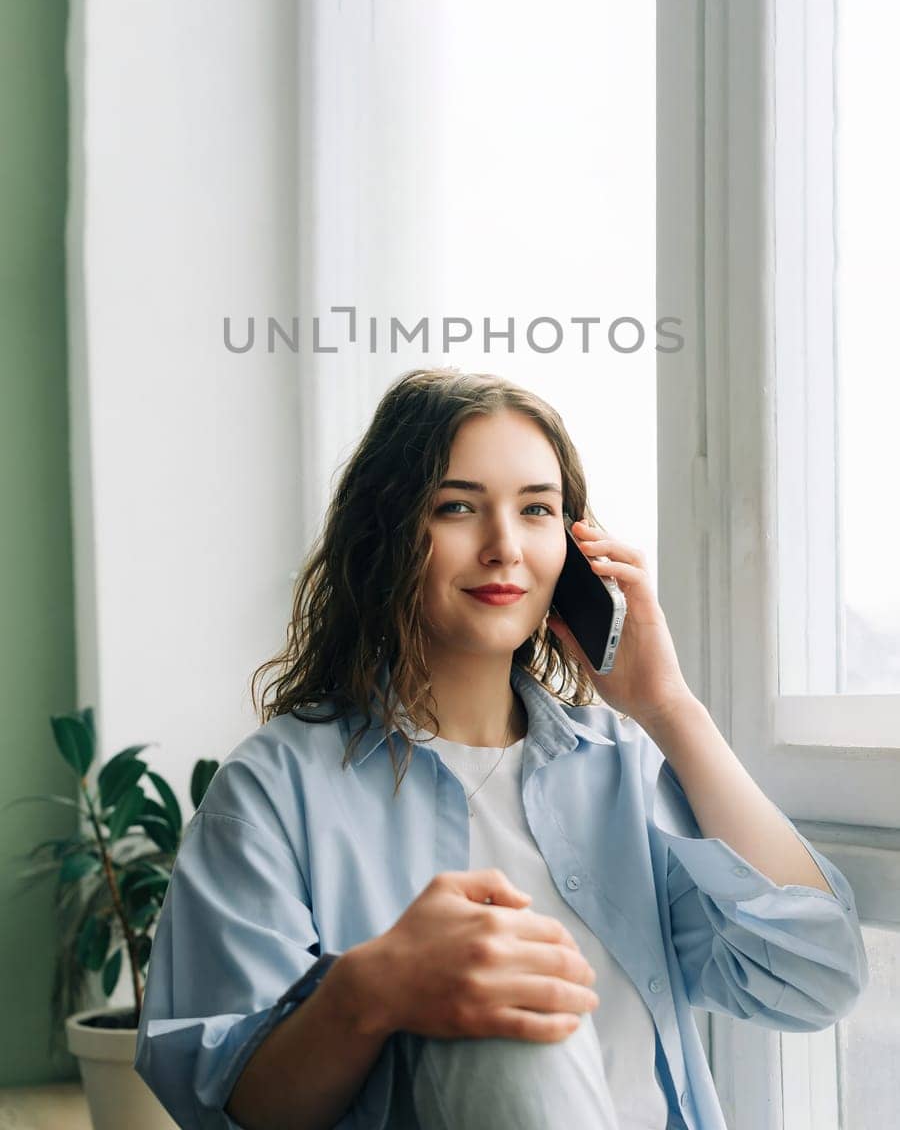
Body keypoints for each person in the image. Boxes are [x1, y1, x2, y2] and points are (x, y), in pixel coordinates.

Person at [134, 368, 868, 1130]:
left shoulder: (625, 767)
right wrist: (371, 991)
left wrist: (670, 709)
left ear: (576, 552)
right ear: (385, 534)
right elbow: (230, 1105)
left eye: (537, 511)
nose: (504, 548)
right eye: (458, 507)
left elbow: (816, 978)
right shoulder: (274, 789)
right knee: (496, 1008)